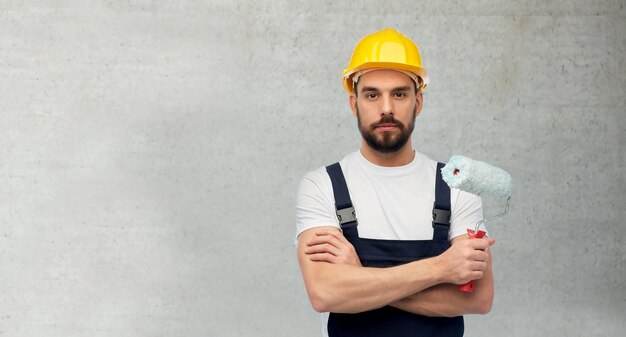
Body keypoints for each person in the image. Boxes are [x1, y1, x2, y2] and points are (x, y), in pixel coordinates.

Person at [295, 28, 495, 337]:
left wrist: (360, 277)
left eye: (399, 94)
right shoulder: (321, 185)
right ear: (354, 104)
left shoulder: (457, 188)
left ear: (418, 102)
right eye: (372, 94)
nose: (386, 108)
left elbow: (479, 298)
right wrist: (442, 269)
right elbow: (325, 293)